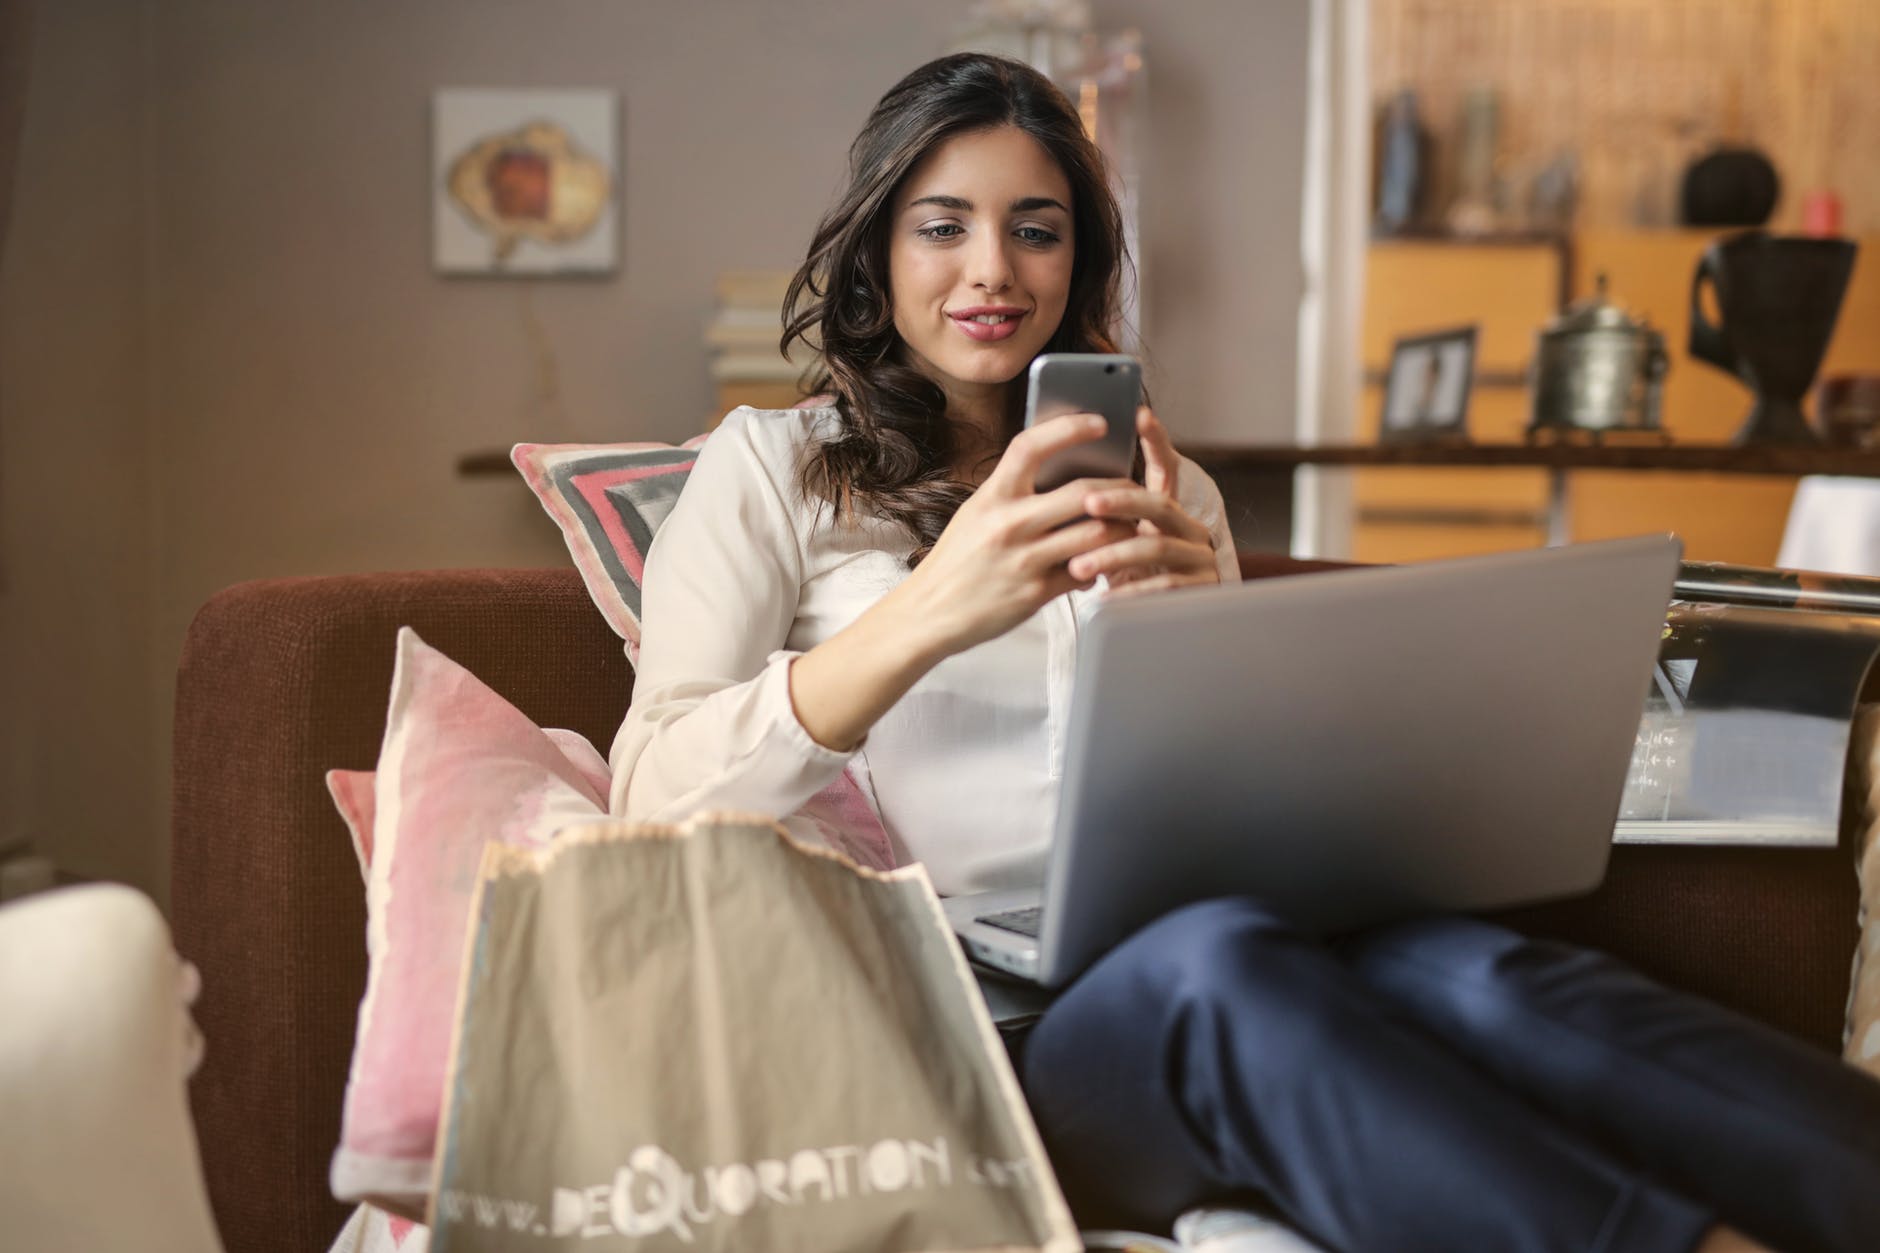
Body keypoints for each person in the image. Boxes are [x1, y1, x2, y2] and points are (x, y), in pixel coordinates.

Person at [611, 52, 1880, 1253]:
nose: (990, 267)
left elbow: (1250, 811)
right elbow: (651, 789)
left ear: (1079, 257)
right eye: (942, 225)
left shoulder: (1169, 488)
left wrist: (1186, 632)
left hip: (1250, 945)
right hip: (992, 1040)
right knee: (1216, 971)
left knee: (1478, 972)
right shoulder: (769, 472)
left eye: (1035, 228)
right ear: (880, 252)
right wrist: (936, 603)